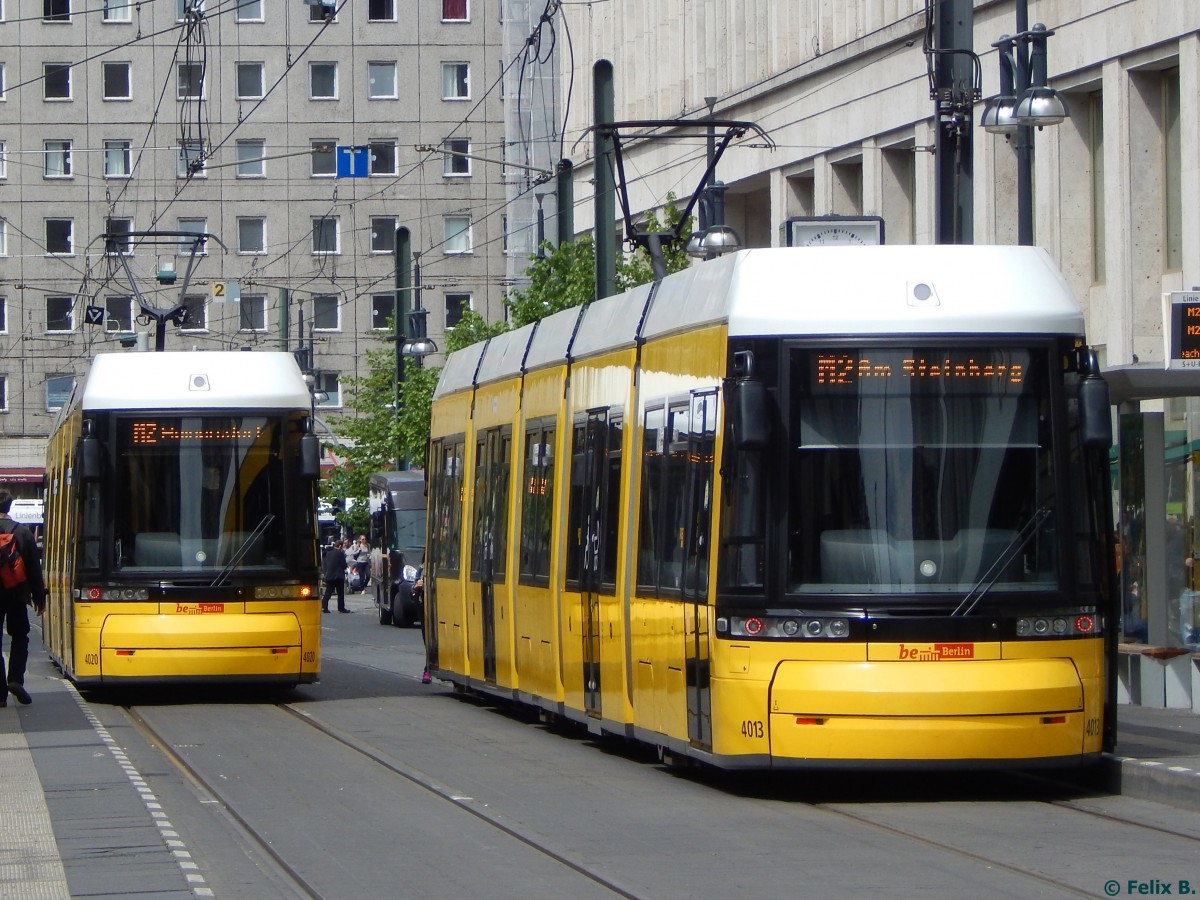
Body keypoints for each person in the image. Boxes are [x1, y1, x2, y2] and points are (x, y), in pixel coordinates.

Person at [0, 490, 46, 706]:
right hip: (17, 593)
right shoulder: (23, 532)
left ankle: (0, 693)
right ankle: (16, 679)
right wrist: (39, 598)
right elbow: (34, 569)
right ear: (10, 507)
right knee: (20, 636)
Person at [321, 539, 351, 613]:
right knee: (340, 593)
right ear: (340, 546)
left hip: (329, 576)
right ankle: (341, 608)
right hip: (338, 576)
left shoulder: (328, 553)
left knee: (328, 592)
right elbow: (344, 565)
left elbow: (325, 565)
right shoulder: (340, 553)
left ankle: (324, 607)